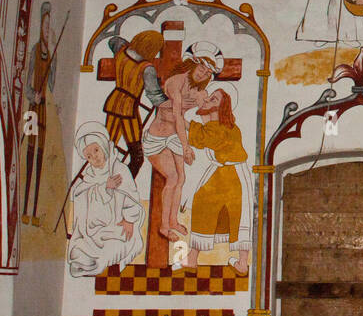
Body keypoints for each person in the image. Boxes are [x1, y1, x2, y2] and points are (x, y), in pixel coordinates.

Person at [145, 41, 219, 240]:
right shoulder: (176, 81)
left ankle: (173, 221)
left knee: (181, 179)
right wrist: (186, 147)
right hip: (158, 138)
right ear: (193, 63)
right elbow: (177, 116)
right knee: (173, 178)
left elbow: (208, 115)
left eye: (207, 73)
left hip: (176, 138)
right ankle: (164, 226)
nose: (203, 74)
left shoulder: (199, 92)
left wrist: (212, 130)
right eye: (202, 68)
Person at [183, 84, 252, 273]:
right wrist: (201, 107)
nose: (208, 100)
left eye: (214, 99)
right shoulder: (214, 124)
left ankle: (242, 263)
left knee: (238, 216)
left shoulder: (227, 128)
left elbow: (206, 138)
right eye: (210, 97)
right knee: (202, 204)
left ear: (222, 107)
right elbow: (205, 131)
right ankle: (192, 258)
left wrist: (183, 122)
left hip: (235, 176)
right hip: (219, 173)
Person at [67, 122, 144, 277]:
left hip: (116, 229)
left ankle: (98, 263)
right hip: (92, 233)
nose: (94, 157)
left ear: (103, 146)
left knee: (116, 247)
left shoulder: (119, 170)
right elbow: (79, 195)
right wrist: (104, 187)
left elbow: (131, 198)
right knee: (77, 252)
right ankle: (90, 260)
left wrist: (129, 220)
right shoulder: (89, 177)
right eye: (89, 156)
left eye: (96, 150)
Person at [103, 29, 165, 179]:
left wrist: (126, 44)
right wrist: (170, 104)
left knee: (105, 148)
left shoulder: (121, 51)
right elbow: (155, 96)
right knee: (137, 157)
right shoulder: (147, 68)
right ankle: (124, 184)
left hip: (113, 104)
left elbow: (114, 41)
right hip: (128, 109)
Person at [22, 2, 57, 225]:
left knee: (41, 158)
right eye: (44, 27)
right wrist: (31, 94)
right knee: (29, 154)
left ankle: (35, 211)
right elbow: (27, 81)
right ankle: (24, 207)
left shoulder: (51, 55)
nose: (46, 31)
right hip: (33, 110)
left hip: (45, 111)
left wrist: (48, 98)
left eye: (48, 28)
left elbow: (52, 86)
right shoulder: (35, 50)